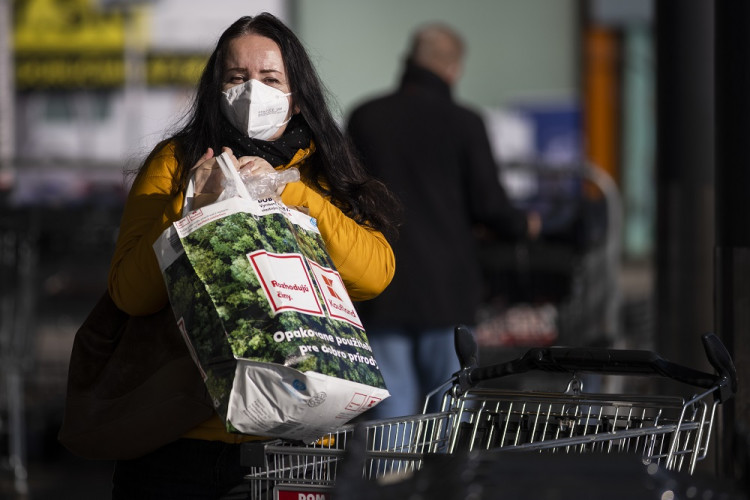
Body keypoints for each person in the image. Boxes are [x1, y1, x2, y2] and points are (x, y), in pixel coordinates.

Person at [107, 13, 398, 498]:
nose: (251, 91)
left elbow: (375, 274)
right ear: (215, 89)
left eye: (269, 79)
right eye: (236, 78)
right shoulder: (175, 163)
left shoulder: (321, 171)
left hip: (294, 443)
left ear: (297, 94)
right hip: (178, 442)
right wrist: (191, 212)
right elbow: (130, 294)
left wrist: (290, 194)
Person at [346, 23, 540, 419]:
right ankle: (444, 483)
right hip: (446, 293)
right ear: (452, 69)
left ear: (408, 62)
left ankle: (390, 482)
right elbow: (490, 207)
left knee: (390, 416)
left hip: (380, 284)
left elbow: (348, 195)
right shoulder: (464, 123)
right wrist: (527, 225)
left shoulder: (366, 117)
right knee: (448, 414)